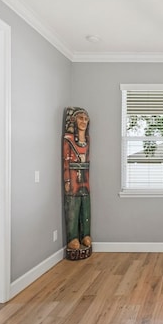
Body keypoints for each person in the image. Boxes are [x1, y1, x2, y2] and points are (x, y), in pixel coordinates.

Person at [62, 107, 91, 252]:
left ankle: (85, 234)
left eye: (86, 119)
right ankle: (73, 237)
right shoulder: (68, 139)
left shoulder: (87, 140)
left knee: (86, 206)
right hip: (73, 178)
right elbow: (66, 162)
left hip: (85, 178)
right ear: (73, 120)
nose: (83, 122)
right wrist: (67, 180)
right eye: (81, 118)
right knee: (73, 206)